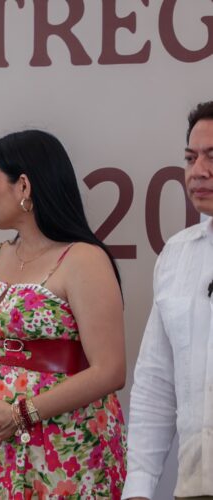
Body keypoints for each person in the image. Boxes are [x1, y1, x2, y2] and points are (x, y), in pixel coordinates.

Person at [0, 130, 128, 498]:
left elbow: (110, 370)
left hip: (63, 444)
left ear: (24, 186)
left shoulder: (83, 259)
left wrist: (20, 414)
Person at [123, 101, 213, 500]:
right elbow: (156, 383)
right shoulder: (177, 255)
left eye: (212, 157)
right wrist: (138, 487)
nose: (198, 171)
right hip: (195, 486)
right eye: (191, 158)